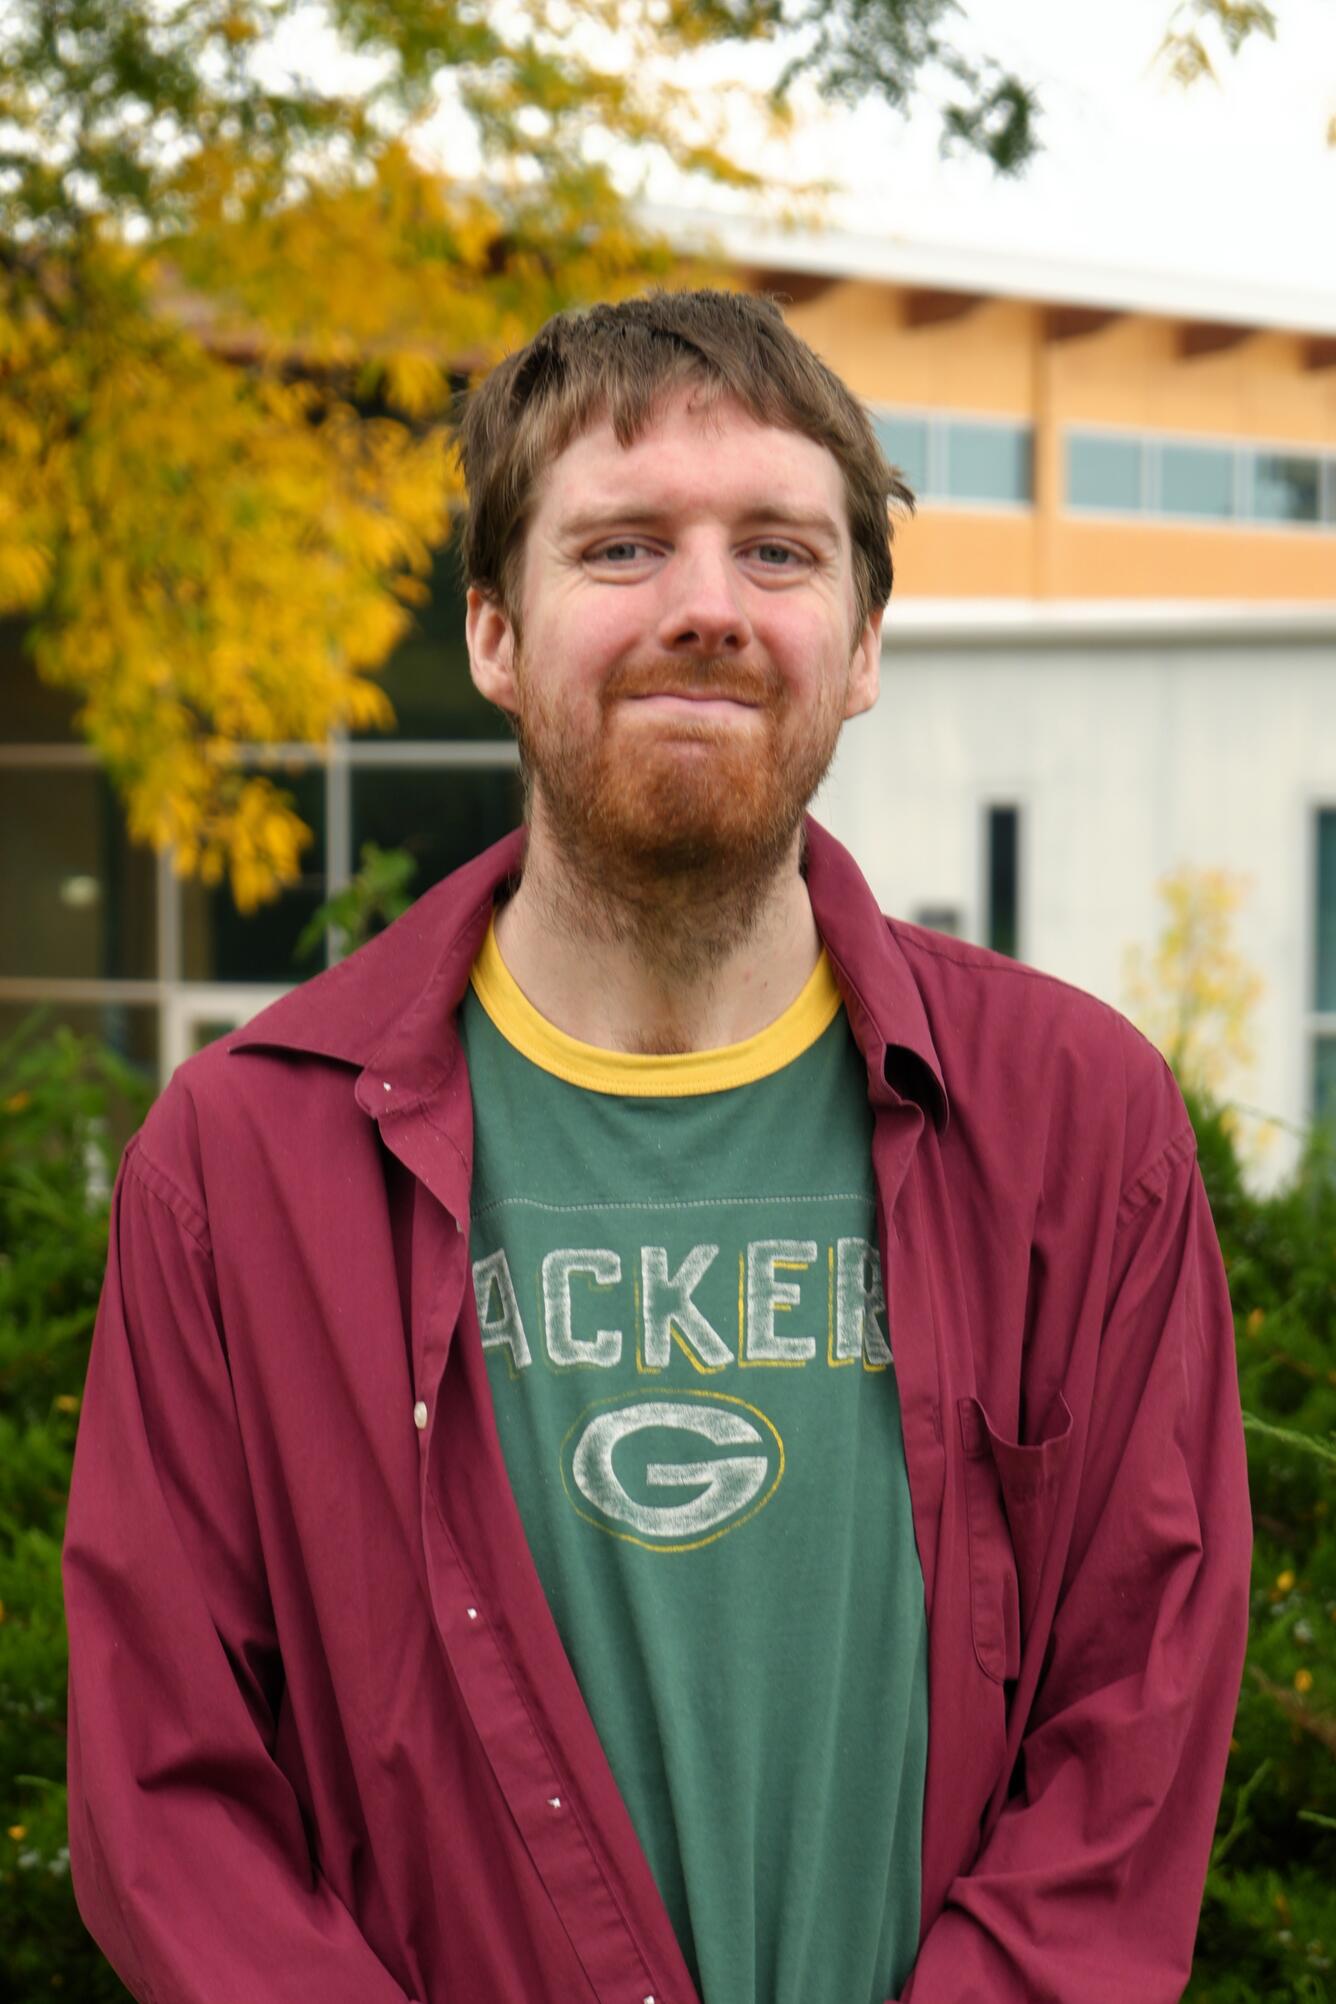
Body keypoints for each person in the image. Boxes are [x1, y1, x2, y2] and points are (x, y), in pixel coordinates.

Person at [63, 288, 1251, 2004]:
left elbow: (1133, 1727)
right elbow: (167, 1801)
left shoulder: (1077, 1125)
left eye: (778, 552)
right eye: (623, 547)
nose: (708, 608)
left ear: (859, 649)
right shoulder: (244, 1163)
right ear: (491, 630)